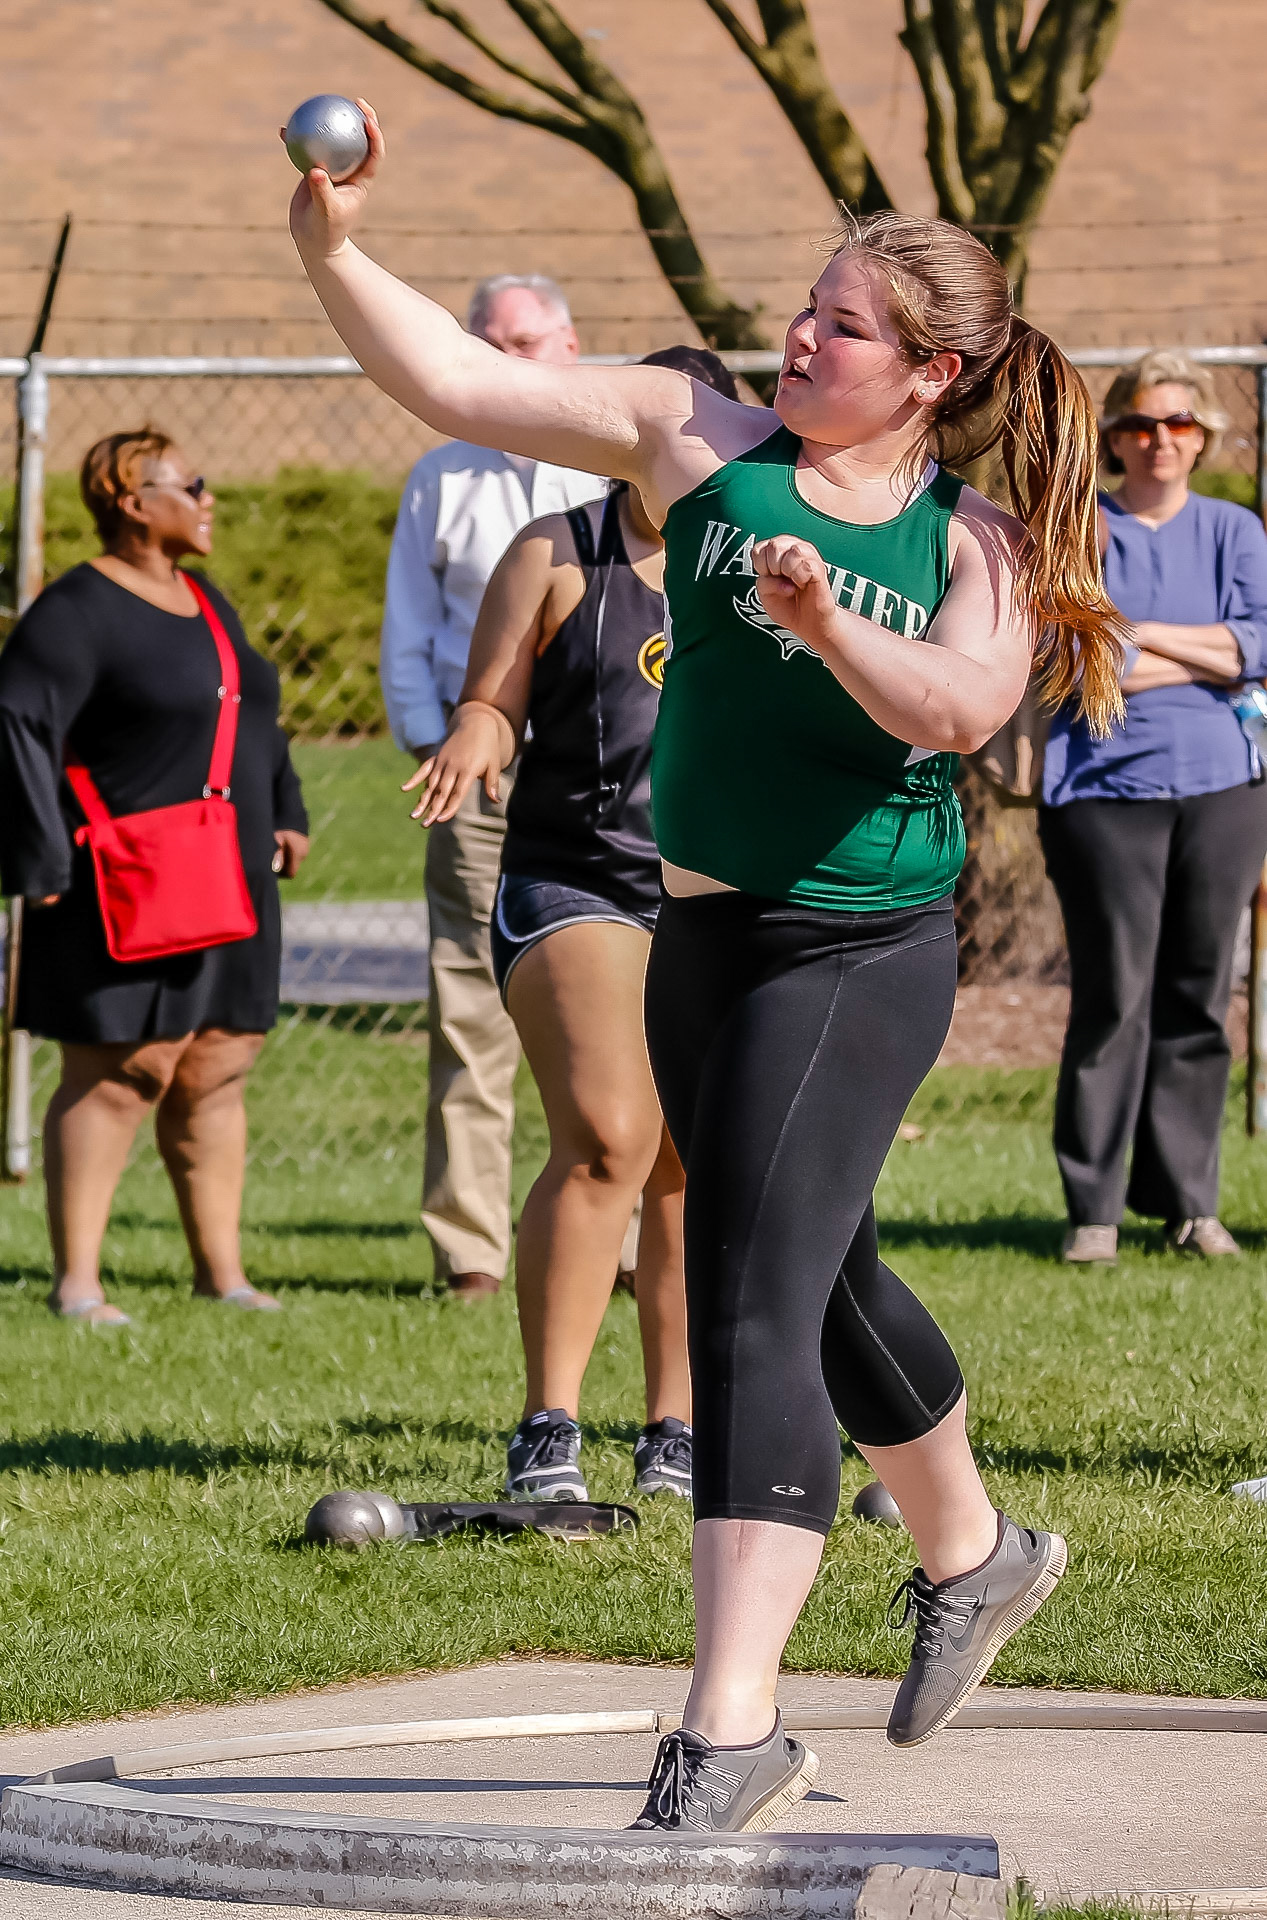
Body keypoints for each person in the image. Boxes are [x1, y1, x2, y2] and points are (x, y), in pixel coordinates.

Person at [287, 109, 1123, 1832]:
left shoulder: (976, 541)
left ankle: (728, 1726)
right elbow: (460, 385)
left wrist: (826, 622)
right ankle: (972, 1549)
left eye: (840, 325)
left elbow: (960, 710)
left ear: (928, 372)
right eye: (803, 306)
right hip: (705, 932)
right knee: (816, 1274)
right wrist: (331, 249)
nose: (795, 337)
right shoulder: (693, 438)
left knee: (749, 1293)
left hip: (861, 942)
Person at [413, 347, 738, 1504]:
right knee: (608, 1134)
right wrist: (471, 738)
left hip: (715, 891)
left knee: (688, 1164)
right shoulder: (557, 551)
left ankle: (676, 1431)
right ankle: (547, 1428)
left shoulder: (757, 558)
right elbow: (492, 700)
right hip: (575, 879)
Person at [0, 428, 309, 1325]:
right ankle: (78, 1285)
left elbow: (258, 718)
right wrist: (39, 853)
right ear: (133, 502)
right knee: (120, 1070)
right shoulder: (78, 607)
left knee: (218, 1061)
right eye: (194, 483)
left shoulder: (203, 598)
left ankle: (224, 1276)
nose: (210, 498)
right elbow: (16, 721)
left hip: (229, 867)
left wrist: (285, 808)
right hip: (117, 879)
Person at [381, 273, 606, 1301]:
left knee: (620, 1012)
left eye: (526, 339)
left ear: (570, 345)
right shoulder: (443, 475)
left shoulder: (613, 470)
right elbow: (410, 629)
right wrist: (439, 744)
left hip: (608, 775)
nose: (509, 357)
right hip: (477, 775)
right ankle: (470, 1250)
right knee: (470, 1008)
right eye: (489, 342)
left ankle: (635, 1245)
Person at [1039, 351, 1267, 1265]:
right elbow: (1073, 654)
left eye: (1177, 424)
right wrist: (1211, 653)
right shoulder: (1080, 529)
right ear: (1113, 439)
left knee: (1200, 1000)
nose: (1158, 441)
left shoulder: (1235, 531)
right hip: (1101, 790)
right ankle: (1092, 1208)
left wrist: (1131, 631)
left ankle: (1188, 1203)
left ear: (1203, 437)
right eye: (1139, 425)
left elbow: (1257, 643)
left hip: (1223, 787)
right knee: (1112, 998)